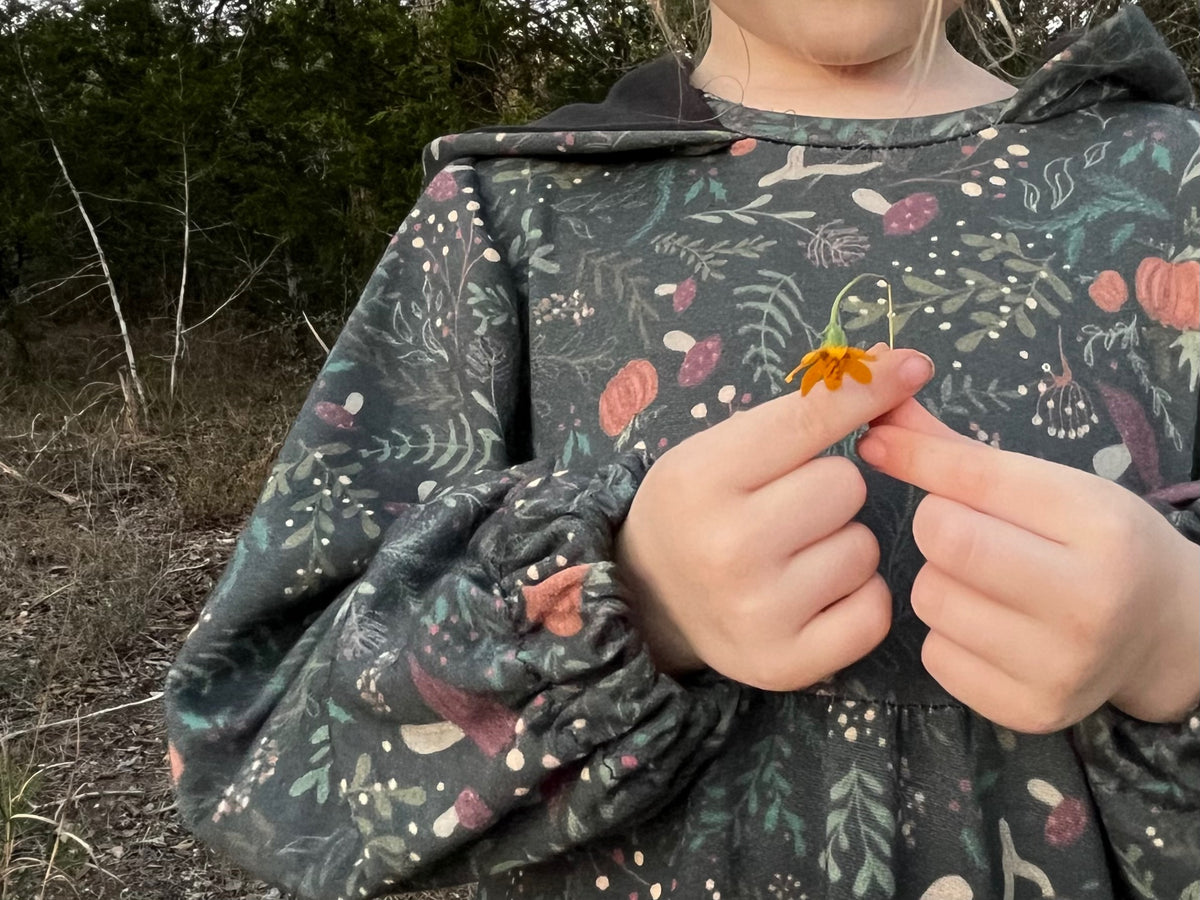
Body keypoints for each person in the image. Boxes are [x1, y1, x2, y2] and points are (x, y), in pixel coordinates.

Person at [164, 2, 1200, 897]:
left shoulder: (1172, 185)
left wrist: (1174, 641)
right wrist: (630, 602)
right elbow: (257, 752)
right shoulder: (519, 215)